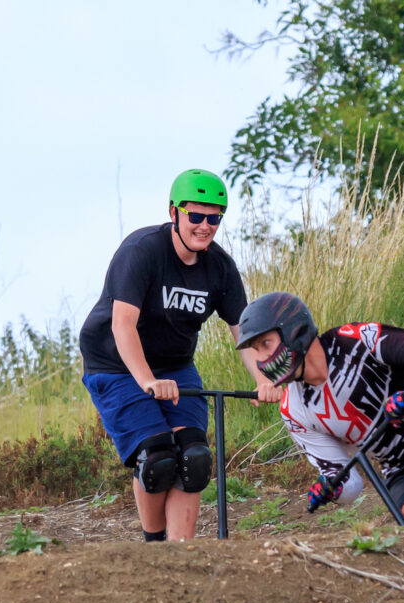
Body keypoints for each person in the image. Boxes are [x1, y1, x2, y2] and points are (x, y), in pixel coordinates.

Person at [79, 169, 280, 542]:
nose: (205, 226)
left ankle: (183, 554)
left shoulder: (219, 268)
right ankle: (157, 553)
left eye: (214, 218)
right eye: (196, 216)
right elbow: (122, 326)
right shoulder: (141, 252)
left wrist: (263, 378)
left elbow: (244, 331)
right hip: (117, 366)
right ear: (174, 213)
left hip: (175, 365)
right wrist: (147, 381)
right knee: (158, 457)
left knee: (194, 459)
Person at [235, 291, 404, 527]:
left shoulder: (356, 340)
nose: (260, 359)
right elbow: (348, 483)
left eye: (265, 344)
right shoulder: (292, 411)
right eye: (255, 350)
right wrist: (331, 489)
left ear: (293, 331)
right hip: (401, 468)